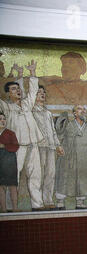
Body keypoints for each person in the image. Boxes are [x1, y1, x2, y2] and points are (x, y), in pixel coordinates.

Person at [0, 60, 45, 211]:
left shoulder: (26, 104)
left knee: (35, 176)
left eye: (18, 89)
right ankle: (11, 208)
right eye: (14, 89)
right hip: (16, 148)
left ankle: (37, 205)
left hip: (33, 144)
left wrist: (32, 73)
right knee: (13, 178)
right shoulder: (6, 107)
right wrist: (16, 75)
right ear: (8, 93)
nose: (18, 91)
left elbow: (33, 91)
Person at [31, 84, 65, 210]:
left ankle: (48, 200)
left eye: (43, 92)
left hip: (50, 147)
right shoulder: (31, 111)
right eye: (39, 92)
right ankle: (37, 202)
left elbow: (53, 131)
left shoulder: (48, 113)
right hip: (38, 147)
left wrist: (58, 145)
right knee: (38, 174)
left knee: (50, 174)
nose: (42, 94)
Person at [0, 112, 20, 213]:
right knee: (1, 186)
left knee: (12, 186)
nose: (2, 121)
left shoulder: (10, 133)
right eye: (0, 119)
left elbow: (16, 146)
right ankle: (3, 209)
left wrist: (4, 146)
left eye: (4, 119)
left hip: (10, 162)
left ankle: (15, 208)